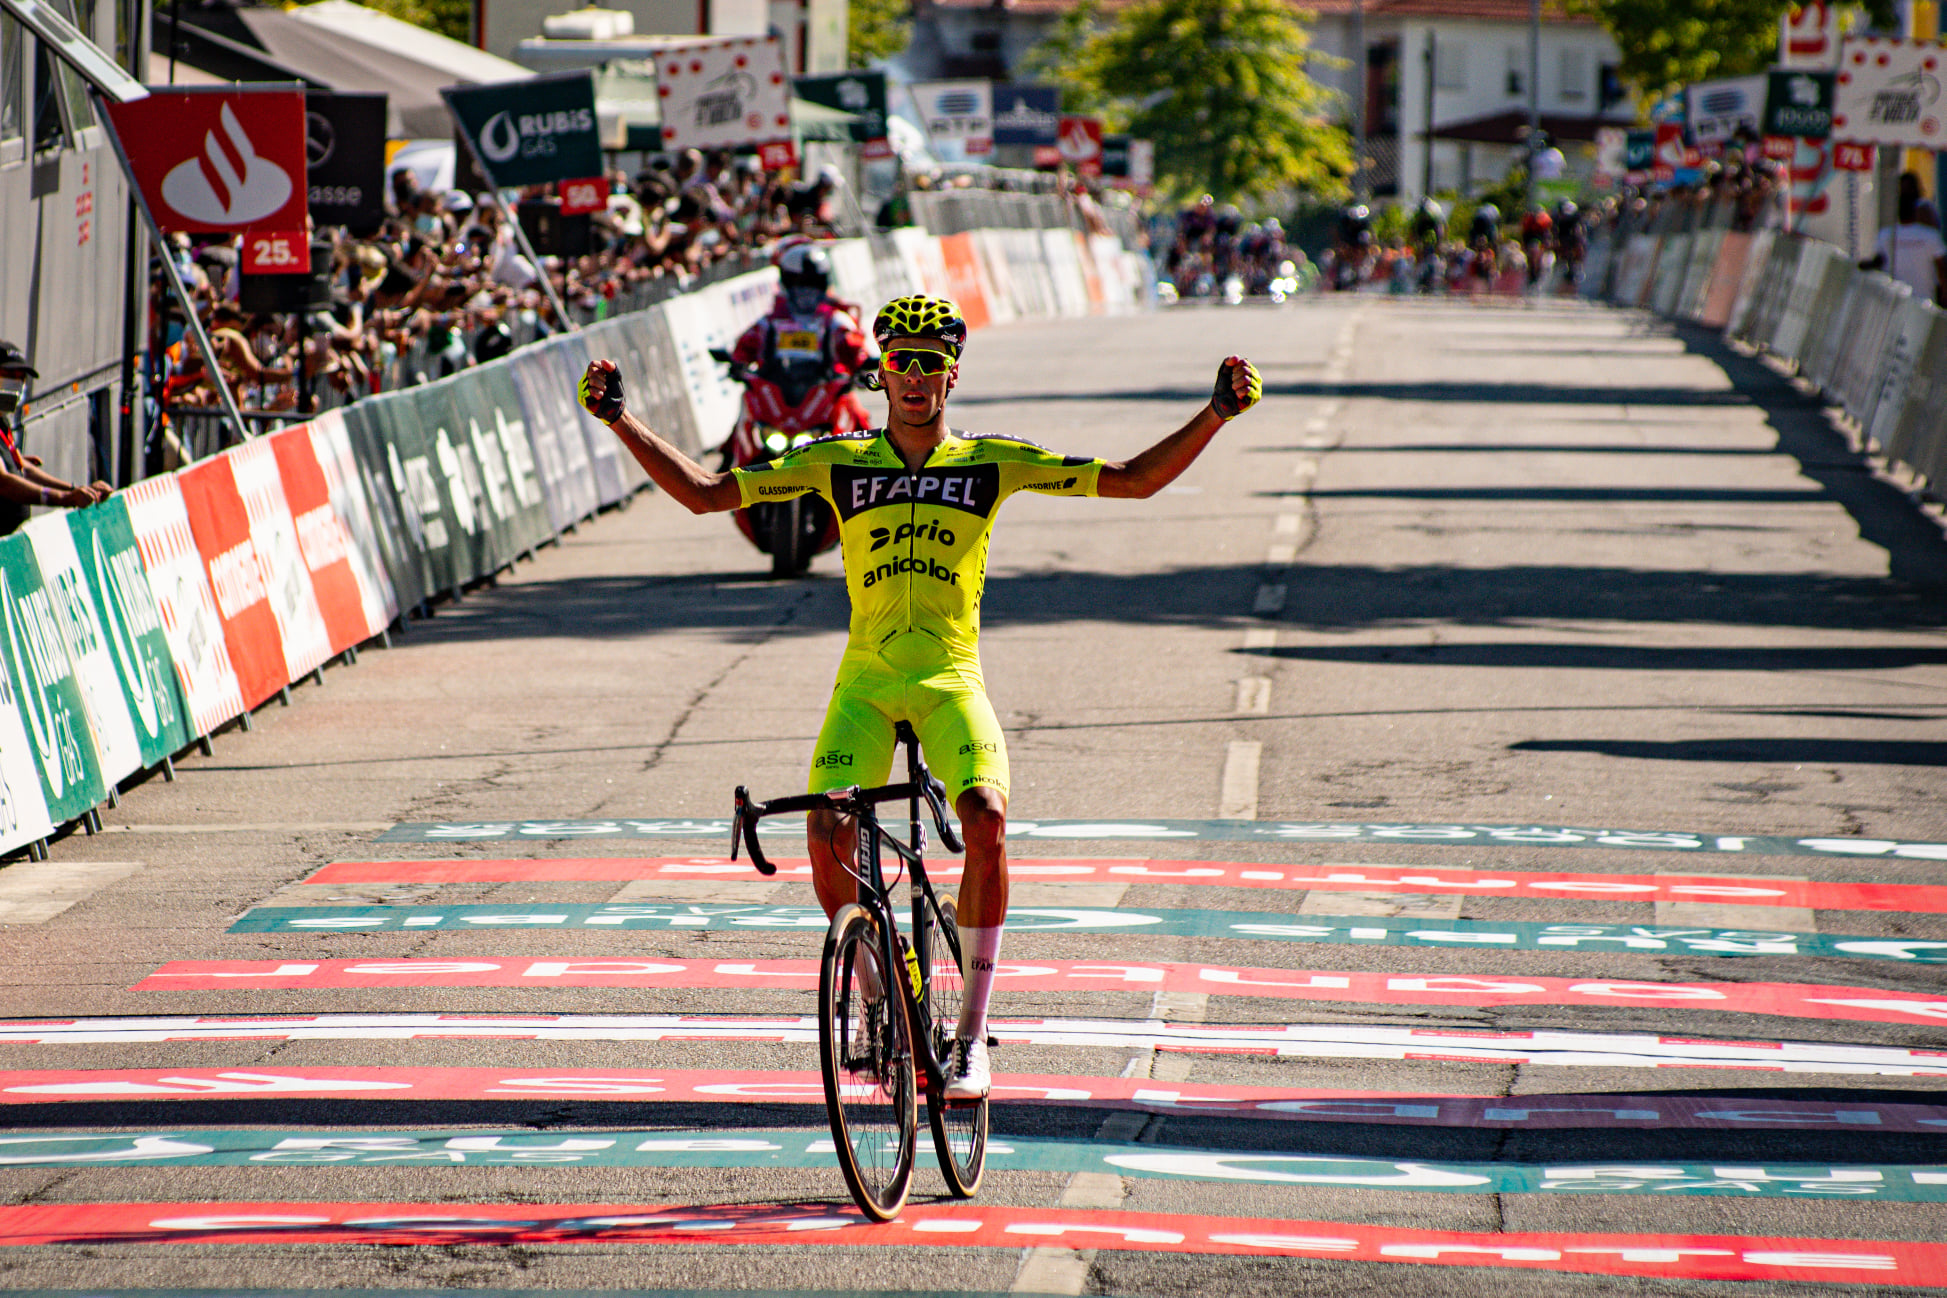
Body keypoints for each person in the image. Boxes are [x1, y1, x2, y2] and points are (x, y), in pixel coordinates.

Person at [578, 295, 1261, 1099]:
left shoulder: (989, 461)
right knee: (824, 828)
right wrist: (622, 420)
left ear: (951, 376)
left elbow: (1134, 481)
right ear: (880, 372)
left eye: (929, 362)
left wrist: (1213, 413)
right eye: (900, 360)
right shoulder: (834, 461)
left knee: (986, 819)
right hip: (865, 686)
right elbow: (703, 493)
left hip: (948, 683)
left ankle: (970, 1038)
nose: (913, 375)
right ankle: (875, 1002)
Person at [0, 341, 111, 531]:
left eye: (21, 378)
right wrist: (63, 498)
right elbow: (4, 482)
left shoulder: (2, 421)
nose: (17, 384)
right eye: (9, 375)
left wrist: (75, 489)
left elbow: (21, 468)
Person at [1862, 173, 1947, 306]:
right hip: (1913, 299)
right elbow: (1941, 265)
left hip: (1906, 300)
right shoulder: (1929, 236)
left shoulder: (1887, 234)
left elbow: (1878, 261)